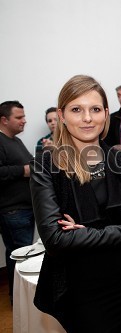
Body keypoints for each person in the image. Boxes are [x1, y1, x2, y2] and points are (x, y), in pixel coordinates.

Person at [30, 75, 121, 332]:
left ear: (106, 114)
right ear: (62, 115)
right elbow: (56, 240)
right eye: (77, 109)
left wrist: (88, 233)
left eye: (95, 109)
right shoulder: (46, 166)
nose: (87, 118)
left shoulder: (120, 160)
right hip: (83, 288)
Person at [0, 100, 35, 304]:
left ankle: (18, 298)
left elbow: (29, 162)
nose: (24, 121)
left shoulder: (15, 140)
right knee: (22, 258)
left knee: (16, 255)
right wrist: (23, 170)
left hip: (24, 209)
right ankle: (24, 302)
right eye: (19, 117)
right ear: (4, 120)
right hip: (13, 211)